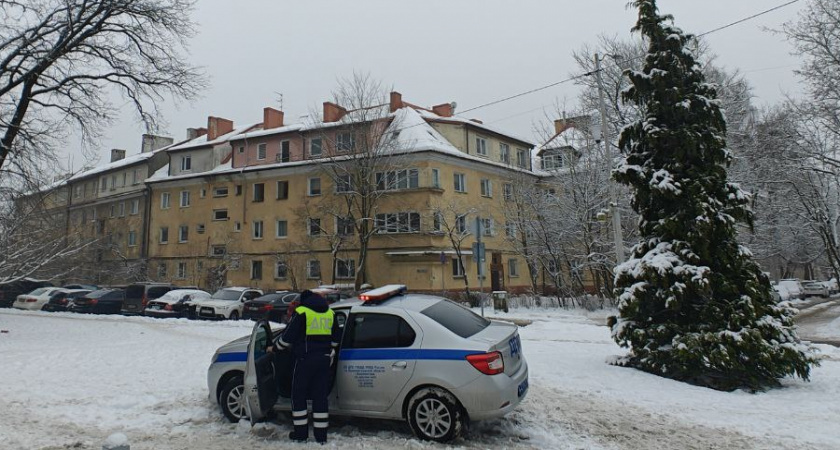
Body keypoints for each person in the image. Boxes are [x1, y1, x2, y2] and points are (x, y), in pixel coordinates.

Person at [274, 289, 341, 444]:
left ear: (304, 300)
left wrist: (275, 348)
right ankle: (321, 437)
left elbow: (287, 338)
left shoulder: (302, 311)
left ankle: (301, 434)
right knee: (320, 397)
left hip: (304, 360)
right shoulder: (330, 313)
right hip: (324, 361)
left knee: (298, 396)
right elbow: (336, 340)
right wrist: (326, 349)